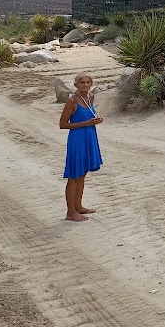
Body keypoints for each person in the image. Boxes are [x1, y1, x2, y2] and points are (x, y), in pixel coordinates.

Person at [59, 74, 104, 222]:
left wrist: (96, 120)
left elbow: (89, 116)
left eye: (88, 82)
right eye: (82, 83)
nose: (85, 85)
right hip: (77, 140)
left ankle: (78, 206)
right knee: (74, 175)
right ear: (76, 85)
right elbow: (63, 124)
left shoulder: (91, 97)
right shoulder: (72, 100)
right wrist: (87, 123)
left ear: (91, 84)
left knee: (83, 173)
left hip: (89, 137)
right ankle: (70, 212)